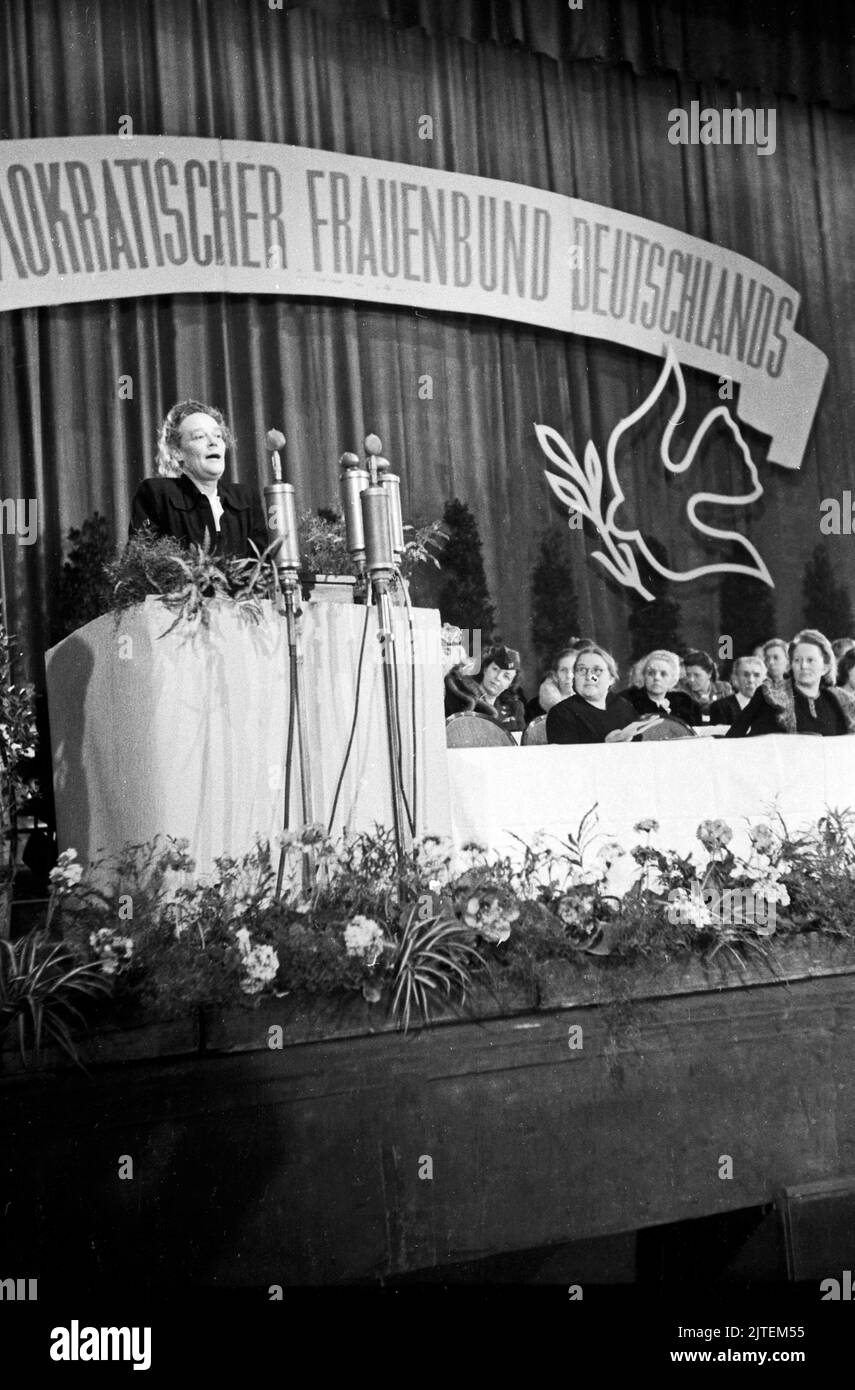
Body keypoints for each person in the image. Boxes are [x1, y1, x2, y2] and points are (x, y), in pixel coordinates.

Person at [130, 400, 268, 559]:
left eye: (218, 435)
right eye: (199, 436)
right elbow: (142, 564)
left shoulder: (246, 497)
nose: (213, 442)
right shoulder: (156, 493)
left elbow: (263, 567)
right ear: (177, 452)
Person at [727, 629, 855, 737]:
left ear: (825, 667)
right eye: (797, 660)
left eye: (810, 660)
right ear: (791, 664)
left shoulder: (837, 701)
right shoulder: (769, 695)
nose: (803, 666)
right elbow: (734, 737)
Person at [546, 645, 663, 744]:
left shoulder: (623, 706)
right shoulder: (561, 713)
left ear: (611, 678)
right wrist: (606, 744)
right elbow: (566, 764)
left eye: (597, 671)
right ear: (575, 677)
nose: (589, 677)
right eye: (581, 670)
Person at [445, 644, 526, 731]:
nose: (498, 677)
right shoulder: (461, 697)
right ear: (485, 669)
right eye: (495, 669)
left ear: (510, 684)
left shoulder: (514, 708)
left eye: (506, 676)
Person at [620, 650, 702, 726]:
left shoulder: (686, 702)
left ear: (673, 678)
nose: (656, 678)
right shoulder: (626, 701)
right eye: (651, 673)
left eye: (663, 674)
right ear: (643, 676)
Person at [708, 655, 768, 724]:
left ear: (764, 680)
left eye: (756, 675)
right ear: (735, 679)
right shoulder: (720, 707)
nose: (751, 680)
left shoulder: (772, 706)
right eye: (746, 675)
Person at [679, 650, 732, 716]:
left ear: (709, 673)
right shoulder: (683, 692)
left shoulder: (724, 688)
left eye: (697, 675)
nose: (691, 679)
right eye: (688, 675)